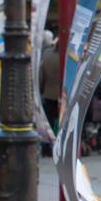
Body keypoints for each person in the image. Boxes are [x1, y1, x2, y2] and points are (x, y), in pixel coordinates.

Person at [38, 30, 59, 158]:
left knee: (48, 123)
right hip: (64, 96)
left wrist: (41, 90)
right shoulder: (68, 56)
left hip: (49, 94)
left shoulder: (46, 55)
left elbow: (41, 76)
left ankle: (46, 148)